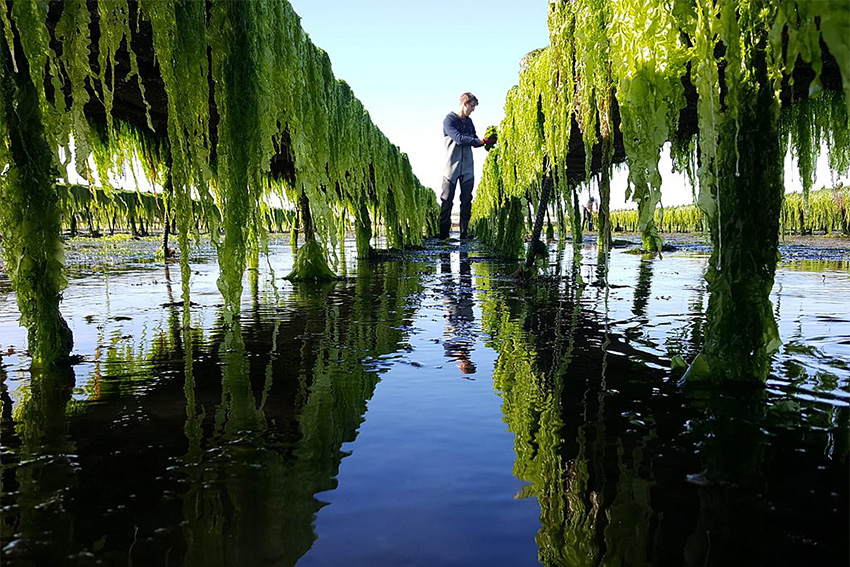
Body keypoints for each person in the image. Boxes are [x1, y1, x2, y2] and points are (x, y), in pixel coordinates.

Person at [440, 92, 496, 240]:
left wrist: (487, 141)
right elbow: (459, 139)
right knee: (447, 201)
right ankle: (444, 235)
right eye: (472, 106)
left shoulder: (469, 122)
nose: (473, 109)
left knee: (466, 201)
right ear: (465, 104)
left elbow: (474, 140)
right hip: (451, 168)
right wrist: (480, 141)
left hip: (468, 168)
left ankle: (464, 234)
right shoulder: (449, 120)